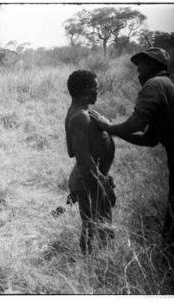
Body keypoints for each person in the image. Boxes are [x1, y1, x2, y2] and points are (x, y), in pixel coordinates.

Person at [89, 47, 174, 262]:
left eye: (142, 65)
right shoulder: (165, 85)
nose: (138, 71)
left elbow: (134, 124)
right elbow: (149, 139)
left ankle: (170, 262)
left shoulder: (154, 84)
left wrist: (109, 127)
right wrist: (114, 130)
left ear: (155, 66)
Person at [65, 70, 117, 255]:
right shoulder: (81, 116)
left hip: (89, 176)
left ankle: (97, 262)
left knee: (94, 223)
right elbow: (81, 157)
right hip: (89, 179)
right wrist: (102, 182)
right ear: (87, 89)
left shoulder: (82, 113)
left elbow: (71, 151)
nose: (98, 92)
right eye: (96, 88)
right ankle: (94, 265)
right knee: (96, 224)